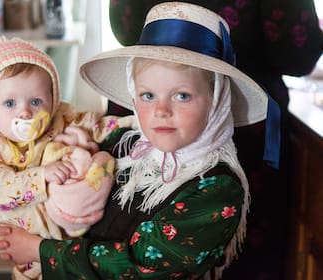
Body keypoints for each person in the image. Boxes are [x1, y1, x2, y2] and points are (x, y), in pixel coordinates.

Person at [0, 3, 279, 279]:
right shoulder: (125, 145)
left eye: (182, 96)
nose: (161, 110)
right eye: (147, 95)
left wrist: (38, 250)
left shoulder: (216, 188)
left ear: (216, 102)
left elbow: (142, 267)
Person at [108, 1, 322, 278]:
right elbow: (297, 53)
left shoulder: (222, 185)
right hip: (145, 133)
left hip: (232, 135)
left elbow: (125, 27)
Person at [0, 36, 134, 279]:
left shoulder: (63, 122)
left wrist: (134, 124)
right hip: (24, 246)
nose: (25, 111)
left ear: (53, 100)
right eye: (9, 103)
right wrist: (41, 176)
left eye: (36, 101)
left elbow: (101, 126)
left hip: (71, 237)